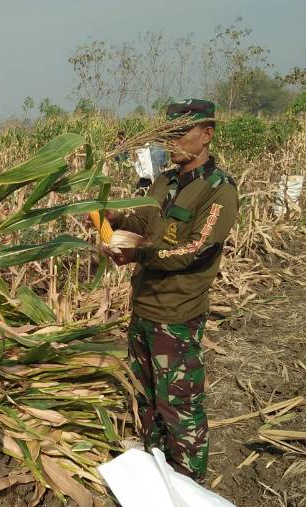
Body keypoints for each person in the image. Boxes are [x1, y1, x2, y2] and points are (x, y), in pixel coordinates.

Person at [99, 99, 239, 482]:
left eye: (181, 134)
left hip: (176, 316)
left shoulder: (217, 190)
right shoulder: (163, 182)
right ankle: (160, 478)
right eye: (168, 135)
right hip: (143, 309)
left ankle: (192, 488)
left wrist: (138, 254)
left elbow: (196, 249)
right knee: (148, 402)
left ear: (206, 135)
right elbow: (141, 222)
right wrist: (115, 221)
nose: (173, 142)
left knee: (180, 407)